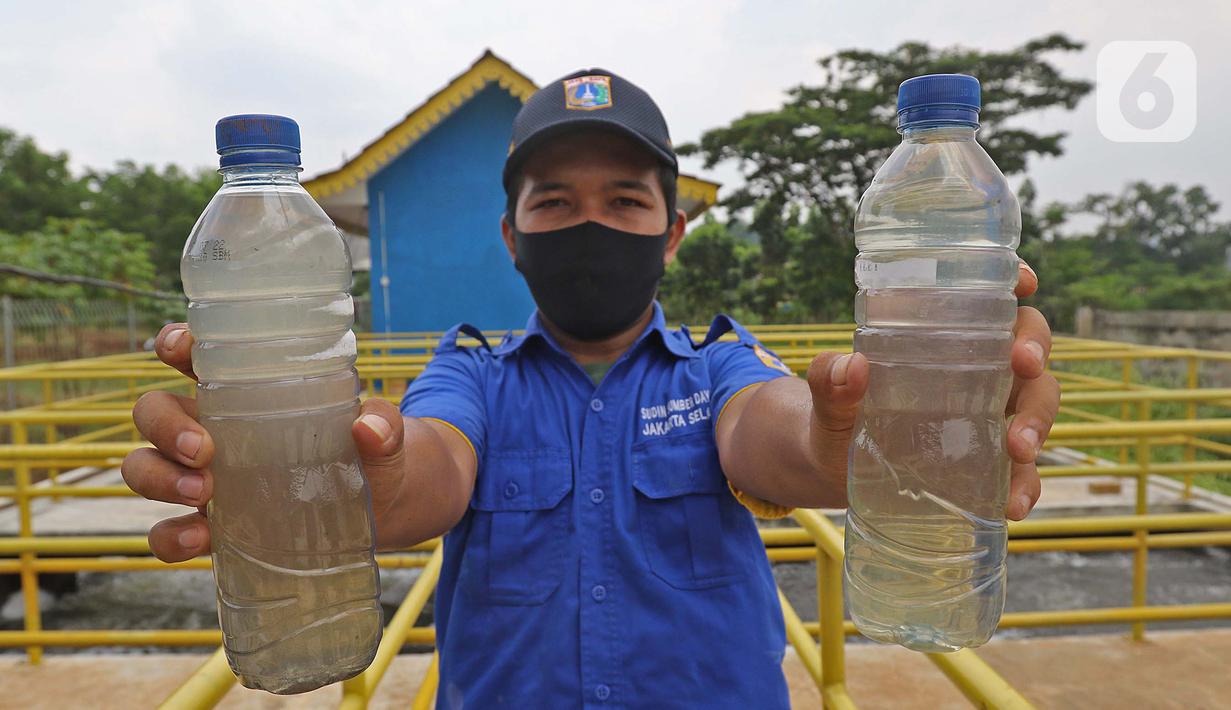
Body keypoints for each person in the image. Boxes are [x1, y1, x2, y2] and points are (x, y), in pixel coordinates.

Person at [122, 69, 1059, 708]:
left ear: (672, 233)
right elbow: (422, 471)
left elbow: (785, 436)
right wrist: (307, 468)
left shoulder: (720, 363)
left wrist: (874, 428)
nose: (589, 225)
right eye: (555, 203)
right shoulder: (471, 370)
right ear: (510, 236)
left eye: (624, 200)